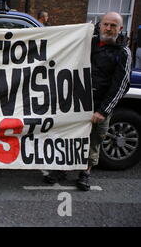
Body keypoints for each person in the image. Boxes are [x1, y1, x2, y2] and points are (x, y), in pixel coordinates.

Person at [44, 12, 131, 191]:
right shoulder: (87, 42)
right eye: (106, 24)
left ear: (120, 29)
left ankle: (86, 172)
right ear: (100, 25)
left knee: (94, 139)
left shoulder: (123, 52)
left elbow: (121, 85)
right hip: (76, 101)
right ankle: (62, 169)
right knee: (69, 135)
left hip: (100, 104)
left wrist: (103, 111)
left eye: (113, 26)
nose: (108, 28)